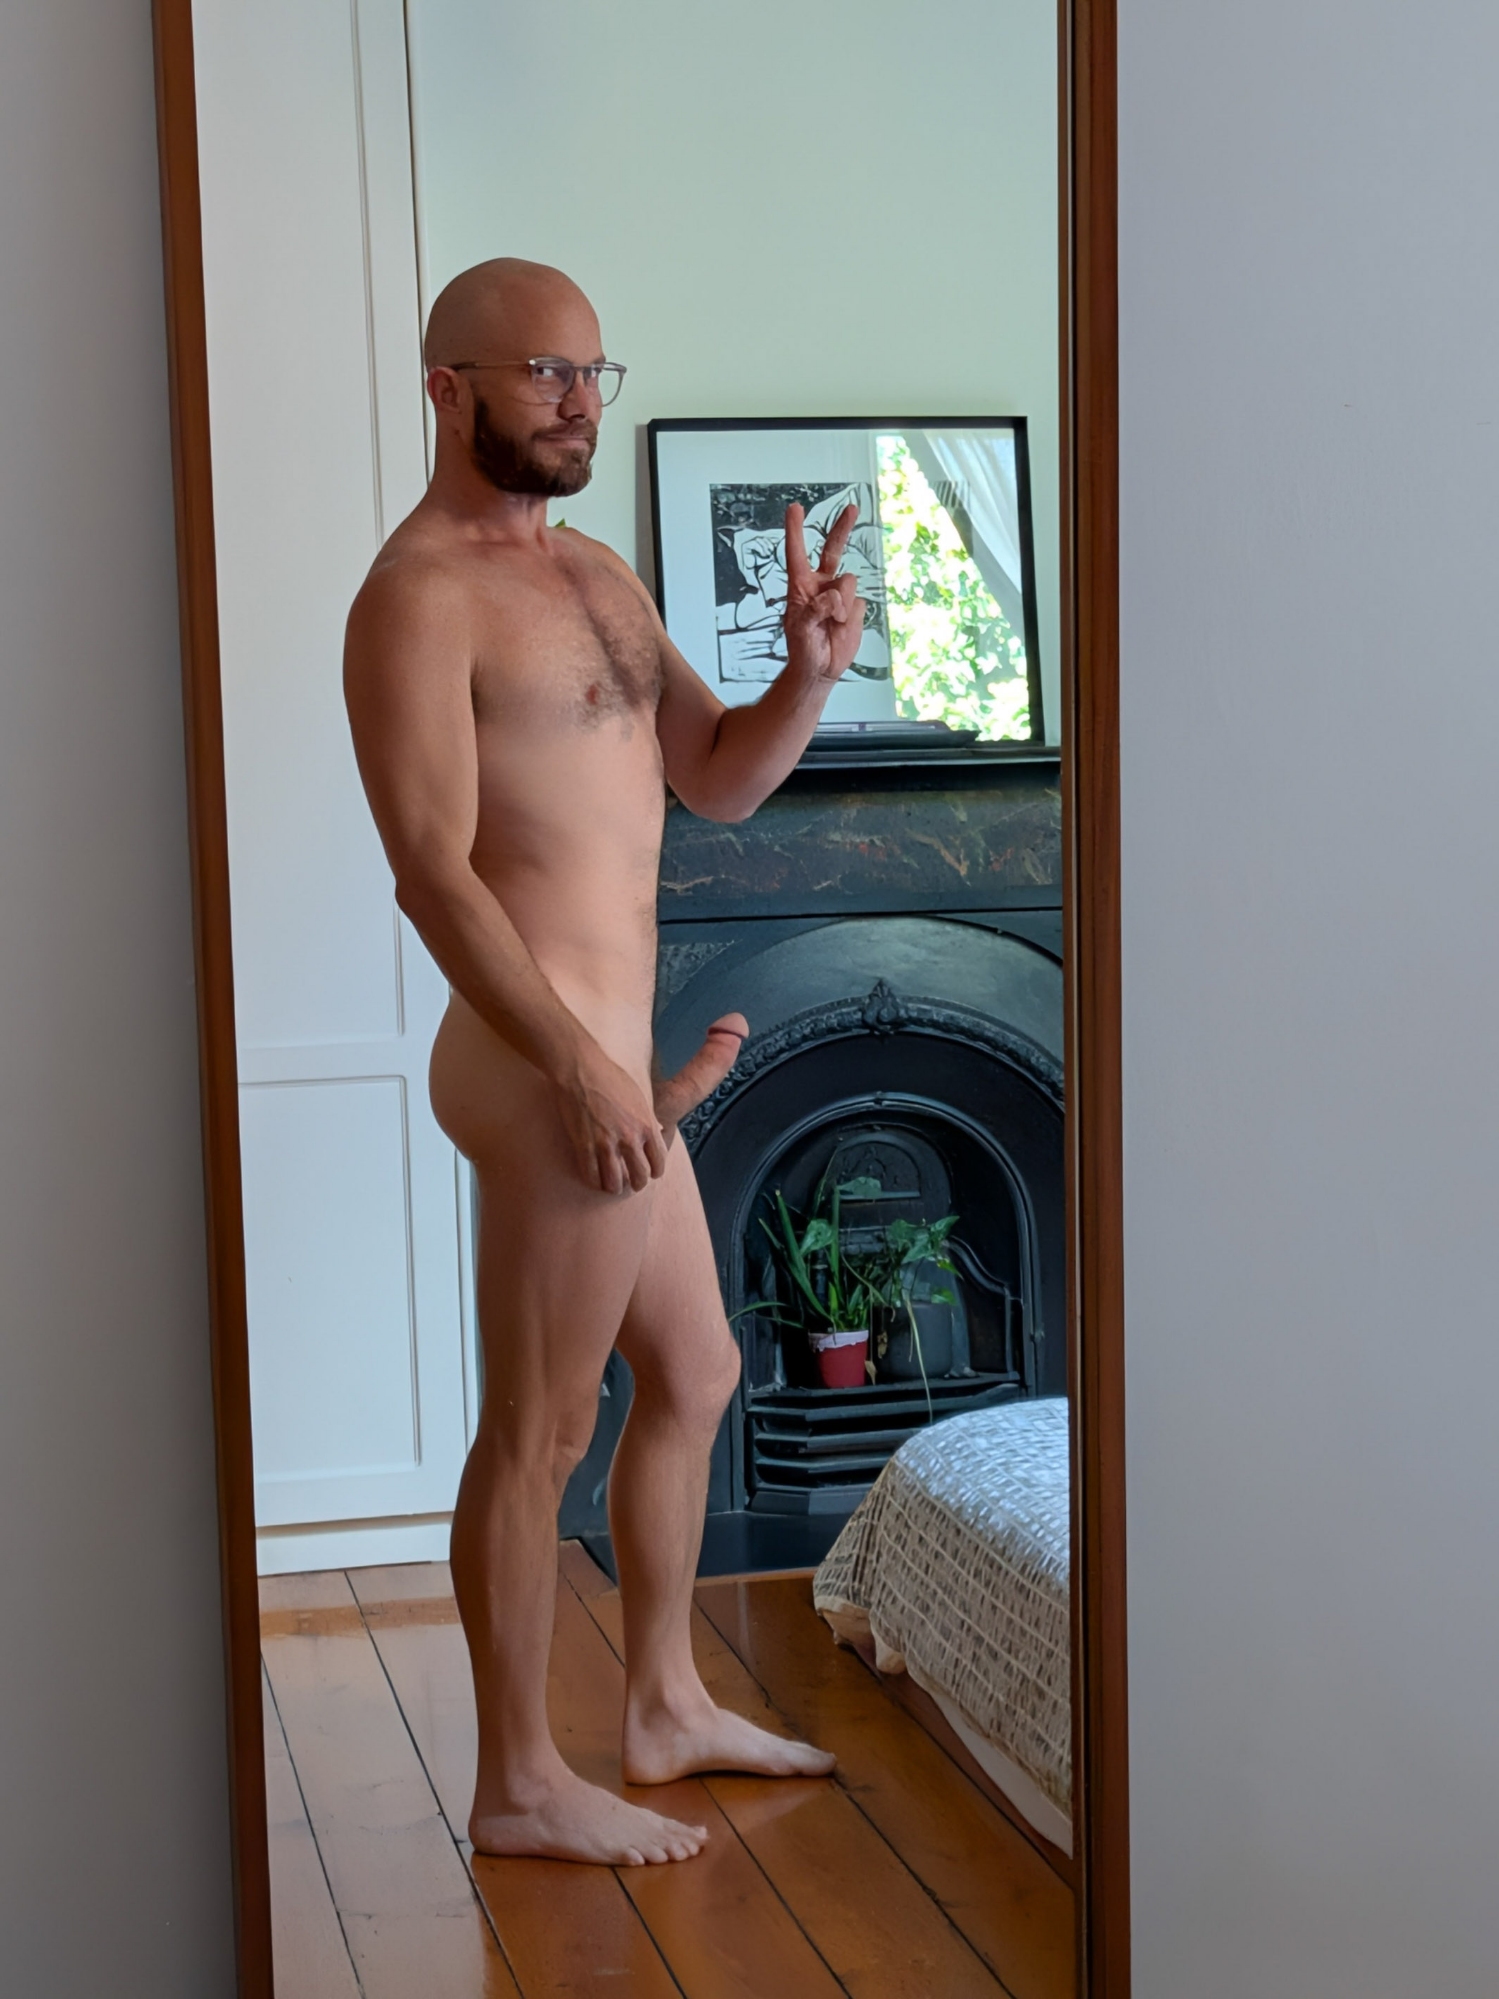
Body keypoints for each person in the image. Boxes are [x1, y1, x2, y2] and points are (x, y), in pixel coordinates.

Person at [344, 257, 863, 1867]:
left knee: (696, 1375)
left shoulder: (600, 575)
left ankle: (661, 1706)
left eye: (592, 373)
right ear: (449, 389)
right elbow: (431, 873)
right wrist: (573, 1064)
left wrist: (806, 676)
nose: (579, 403)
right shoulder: (417, 597)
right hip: (535, 1060)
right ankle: (515, 1781)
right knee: (540, 1431)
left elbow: (719, 780)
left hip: (611, 1063)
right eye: (544, 374)